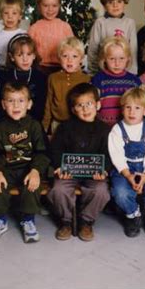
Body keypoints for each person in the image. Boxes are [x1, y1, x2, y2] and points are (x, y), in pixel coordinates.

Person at [0, 82, 50, 243]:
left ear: (29, 104)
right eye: (11, 101)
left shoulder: (34, 126)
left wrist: (36, 171)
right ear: (3, 104)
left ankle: (28, 219)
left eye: (21, 101)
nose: (16, 105)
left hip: (29, 167)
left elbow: (42, 152)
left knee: (32, 185)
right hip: (7, 168)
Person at [48, 83, 112, 241]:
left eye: (89, 104)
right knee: (58, 189)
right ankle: (66, 221)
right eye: (79, 105)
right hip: (69, 173)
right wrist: (59, 167)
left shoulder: (105, 129)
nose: (85, 109)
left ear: (98, 105)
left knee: (102, 191)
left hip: (94, 174)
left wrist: (104, 170)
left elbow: (109, 153)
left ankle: (86, 221)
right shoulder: (65, 128)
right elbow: (55, 149)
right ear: (73, 109)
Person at [108, 87, 145, 237]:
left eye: (137, 108)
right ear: (122, 110)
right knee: (120, 193)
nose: (132, 112)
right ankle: (133, 214)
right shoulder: (117, 130)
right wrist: (128, 175)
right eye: (128, 107)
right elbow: (116, 155)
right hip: (124, 169)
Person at [42, 36, 90, 135]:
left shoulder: (86, 79)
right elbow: (49, 103)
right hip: (58, 123)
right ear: (59, 58)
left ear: (81, 59)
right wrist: (45, 126)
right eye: (65, 56)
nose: (69, 60)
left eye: (74, 56)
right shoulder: (53, 78)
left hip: (79, 123)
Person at [0, 33, 47, 122]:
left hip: (33, 122)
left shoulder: (40, 77)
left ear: (34, 55)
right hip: (9, 122)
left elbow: (42, 105)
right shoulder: (5, 77)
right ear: (12, 57)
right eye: (20, 55)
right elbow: (1, 104)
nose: (25, 59)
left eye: (29, 54)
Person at [91, 36, 141, 127]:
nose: (117, 63)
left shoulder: (134, 81)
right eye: (112, 59)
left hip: (128, 127)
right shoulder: (97, 80)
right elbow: (92, 105)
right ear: (104, 59)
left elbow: (141, 106)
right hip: (102, 127)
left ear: (128, 59)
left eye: (121, 58)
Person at [87, 0, 138, 75]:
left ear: (125, 3)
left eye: (119, 1)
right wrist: (92, 72)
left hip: (125, 71)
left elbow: (133, 49)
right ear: (104, 5)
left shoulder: (130, 23)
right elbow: (93, 49)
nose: (115, 5)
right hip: (103, 71)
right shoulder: (100, 22)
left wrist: (132, 72)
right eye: (110, 2)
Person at [28, 0, 74, 75]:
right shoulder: (34, 28)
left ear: (59, 6)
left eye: (54, 5)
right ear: (39, 6)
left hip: (62, 68)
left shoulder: (65, 27)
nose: (50, 9)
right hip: (40, 69)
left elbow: (73, 48)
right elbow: (29, 50)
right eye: (45, 5)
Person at [0, 0, 26, 79]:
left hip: (21, 72)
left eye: (14, 13)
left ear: (20, 16)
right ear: (1, 15)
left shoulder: (25, 35)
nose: (10, 17)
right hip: (3, 73)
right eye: (6, 13)